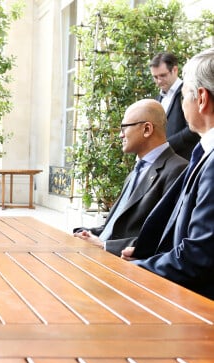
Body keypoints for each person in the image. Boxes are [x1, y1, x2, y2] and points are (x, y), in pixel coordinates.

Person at [122, 47, 214, 300]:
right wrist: (147, 253)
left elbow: (199, 256)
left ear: (202, 99)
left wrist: (131, 272)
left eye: (184, 96)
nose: (182, 105)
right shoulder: (205, 152)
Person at [73, 99, 187, 256]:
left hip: (127, 266)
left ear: (147, 129)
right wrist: (88, 234)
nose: (120, 135)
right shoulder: (136, 172)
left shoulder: (178, 170)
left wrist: (105, 246)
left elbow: (163, 237)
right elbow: (117, 227)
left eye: (124, 128)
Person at [150, 52, 200, 160]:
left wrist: (164, 147)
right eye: (155, 77)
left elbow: (194, 129)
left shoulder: (188, 92)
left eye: (163, 75)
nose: (159, 81)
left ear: (175, 70)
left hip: (185, 161)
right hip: (165, 163)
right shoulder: (157, 99)